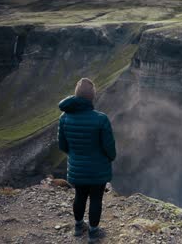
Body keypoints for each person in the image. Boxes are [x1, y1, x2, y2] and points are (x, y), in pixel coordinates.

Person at [57, 78, 116, 244]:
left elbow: (62, 145)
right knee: (96, 199)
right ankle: (93, 233)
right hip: (98, 169)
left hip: (77, 168)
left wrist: (76, 155)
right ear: (92, 97)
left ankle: (78, 227)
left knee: (79, 196)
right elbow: (109, 146)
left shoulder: (64, 118)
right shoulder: (101, 119)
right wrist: (110, 158)